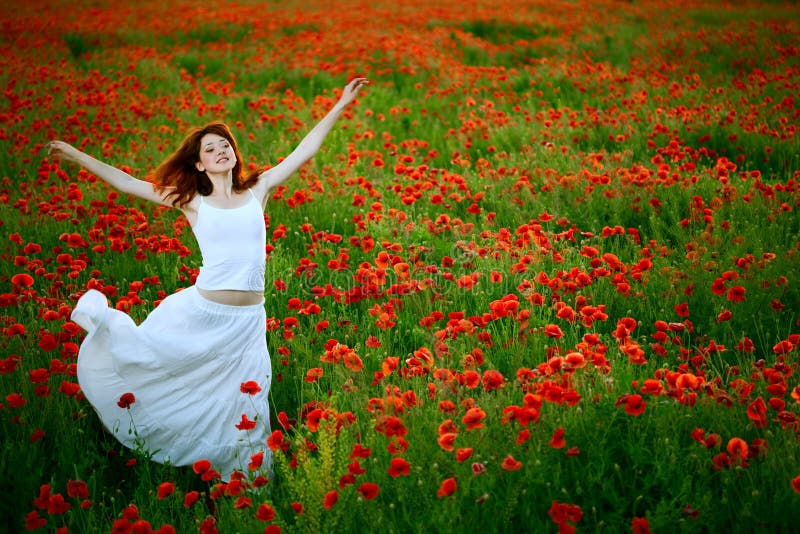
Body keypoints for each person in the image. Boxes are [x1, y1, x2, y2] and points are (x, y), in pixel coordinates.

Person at [48, 77, 369, 481]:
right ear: (199, 163)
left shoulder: (258, 189)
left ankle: (253, 490)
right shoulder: (193, 202)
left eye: (226, 146)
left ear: (235, 155)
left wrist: (340, 104)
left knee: (248, 403)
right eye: (211, 149)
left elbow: (304, 151)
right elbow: (129, 183)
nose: (221, 151)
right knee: (163, 371)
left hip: (247, 324)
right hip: (203, 314)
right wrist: (77, 155)